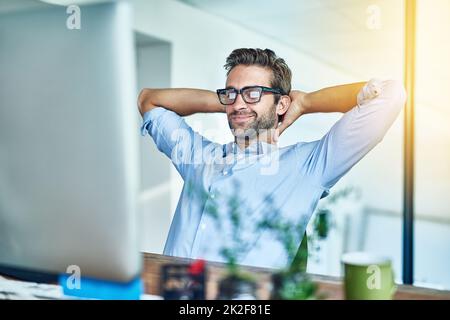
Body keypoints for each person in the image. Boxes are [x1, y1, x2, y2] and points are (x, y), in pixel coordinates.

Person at [138, 48, 406, 269]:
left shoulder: (307, 167)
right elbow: (149, 101)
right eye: (231, 93)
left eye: (253, 93)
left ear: (281, 105)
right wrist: (231, 103)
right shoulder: (200, 158)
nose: (240, 104)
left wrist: (306, 102)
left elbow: (391, 95)